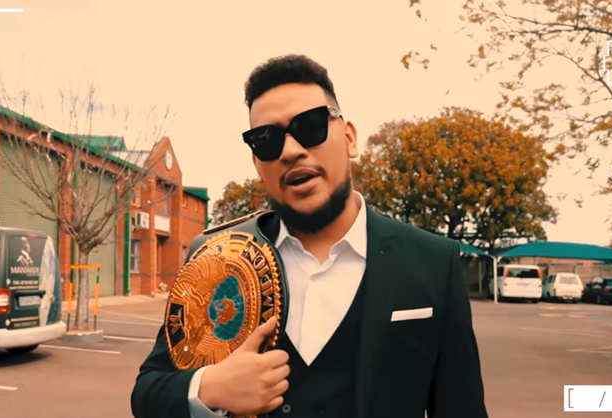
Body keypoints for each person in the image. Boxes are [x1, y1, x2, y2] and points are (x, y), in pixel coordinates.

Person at [131, 54, 488, 418]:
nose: (290, 151)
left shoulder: (432, 263)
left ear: (349, 138)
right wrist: (209, 387)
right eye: (266, 140)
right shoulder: (217, 258)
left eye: (310, 126)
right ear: (258, 166)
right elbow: (148, 391)